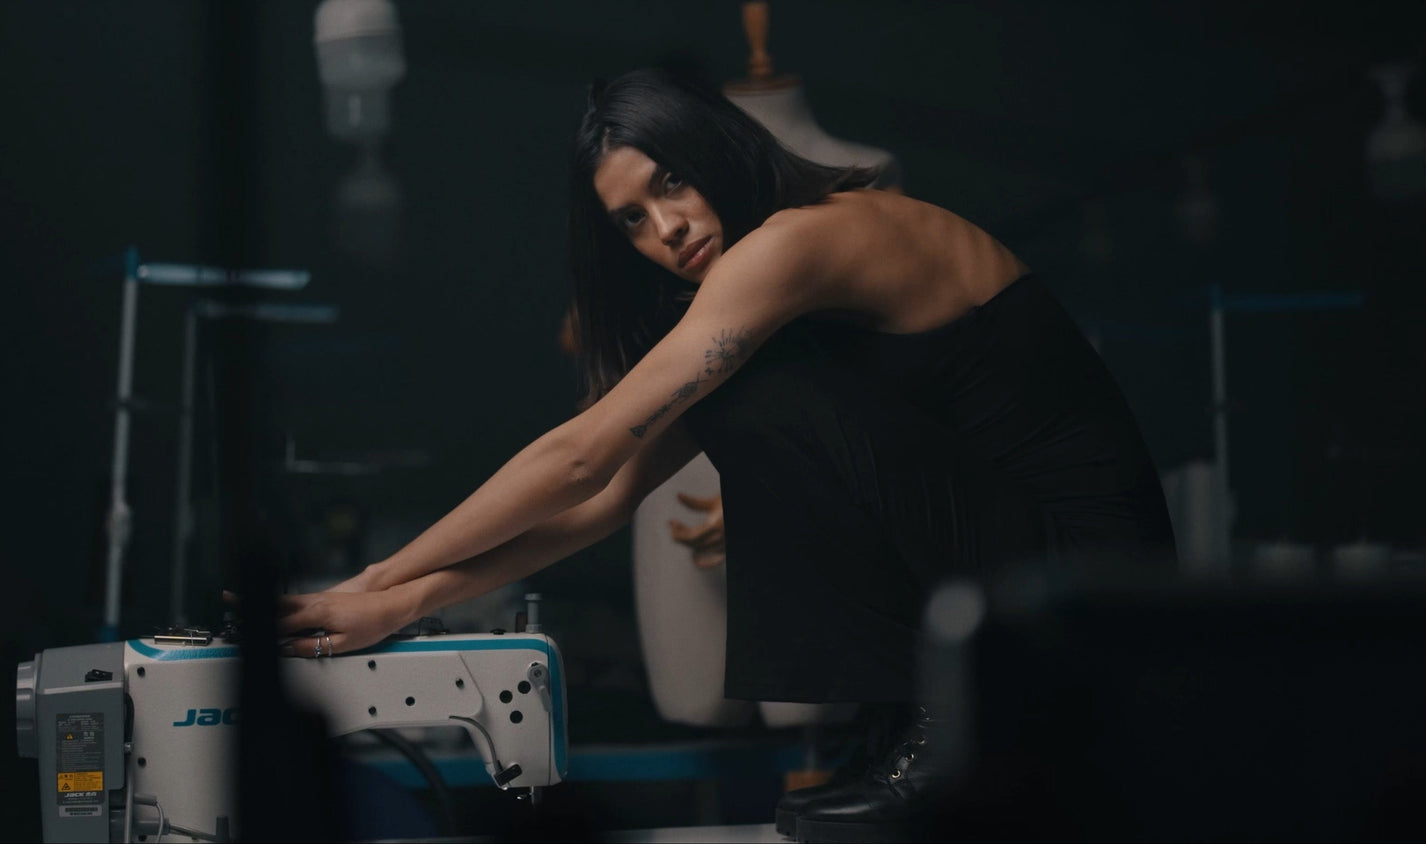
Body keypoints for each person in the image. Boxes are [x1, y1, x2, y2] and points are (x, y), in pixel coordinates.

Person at [276, 67, 1175, 841]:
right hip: (1025, 582)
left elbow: (584, 455)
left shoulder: (803, 240)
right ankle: (916, 724)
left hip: (1088, 592)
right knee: (744, 389)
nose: (664, 228)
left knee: (753, 392)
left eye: (673, 182)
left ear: (718, 151)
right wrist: (404, 605)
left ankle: (947, 735)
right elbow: (606, 501)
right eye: (631, 218)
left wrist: (372, 580)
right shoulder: (754, 296)